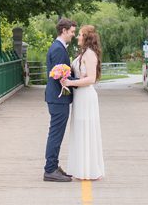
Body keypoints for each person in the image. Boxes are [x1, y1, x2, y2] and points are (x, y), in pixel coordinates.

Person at [61, 24, 105, 180]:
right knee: (80, 130)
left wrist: (70, 83)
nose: (78, 37)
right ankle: (81, 167)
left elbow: (91, 79)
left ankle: (90, 169)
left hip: (86, 97)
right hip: (79, 98)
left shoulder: (90, 54)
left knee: (86, 130)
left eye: (80, 34)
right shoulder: (83, 53)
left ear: (86, 38)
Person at [43, 17, 77, 182]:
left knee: (57, 133)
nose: (73, 35)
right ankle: (50, 169)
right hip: (58, 98)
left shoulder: (59, 47)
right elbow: (59, 75)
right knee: (56, 134)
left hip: (59, 98)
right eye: (71, 32)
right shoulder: (58, 49)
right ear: (64, 31)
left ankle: (54, 166)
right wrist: (76, 81)